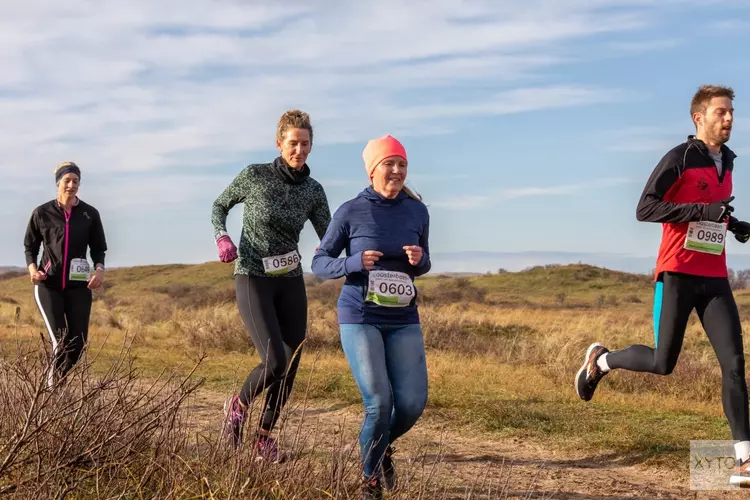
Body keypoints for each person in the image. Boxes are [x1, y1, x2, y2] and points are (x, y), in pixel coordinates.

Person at [574, 85, 750, 487]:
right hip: (677, 273)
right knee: (662, 363)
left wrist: (733, 224)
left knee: (735, 366)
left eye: (732, 113)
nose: (729, 120)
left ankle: (743, 461)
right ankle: (601, 361)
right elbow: (646, 207)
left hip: (714, 276)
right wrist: (699, 211)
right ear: (698, 118)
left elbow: (710, 211)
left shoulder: (730, 161)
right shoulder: (679, 157)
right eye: (721, 112)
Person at [311, 134, 431, 499]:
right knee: (379, 403)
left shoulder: (417, 211)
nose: (396, 171)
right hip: (360, 314)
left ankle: (381, 447)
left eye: (402, 164)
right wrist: (352, 262)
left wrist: (418, 261)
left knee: (411, 404)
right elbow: (319, 263)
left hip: (403, 317)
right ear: (372, 170)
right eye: (389, 164)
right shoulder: (350, 211)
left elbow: (425, 262)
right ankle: (370, 482)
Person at [211, 109, 331, 461]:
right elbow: (220, 205)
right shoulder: (255, 176)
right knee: (275, 359)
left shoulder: (313, 190)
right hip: (252, 276)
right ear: (280, 143)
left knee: (290, 361)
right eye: (293, 143)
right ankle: (237, 406)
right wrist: (222, 236)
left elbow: (329, 233)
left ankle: (263, 437)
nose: (299, 150)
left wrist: (333, 250)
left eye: (305, 144)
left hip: (290, 279)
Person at [23, 161, 107, 389]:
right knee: (59, 342)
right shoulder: (42, 213)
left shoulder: (89, 214)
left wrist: (99, 269)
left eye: (76, 181)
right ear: (58, 182)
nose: (71, 185)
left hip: (78, 287)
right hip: (48, 285)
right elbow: (30, 247)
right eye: (67, 180)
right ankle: (53, 391)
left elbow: (99, 248)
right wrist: (33, 269)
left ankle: (57, 379)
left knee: (78, 344)